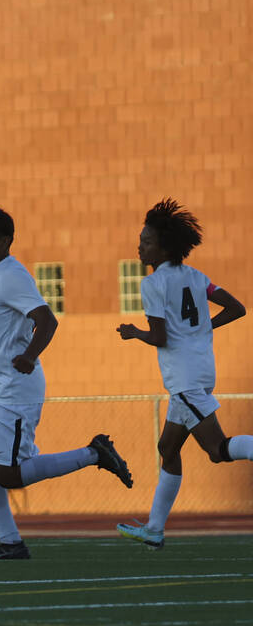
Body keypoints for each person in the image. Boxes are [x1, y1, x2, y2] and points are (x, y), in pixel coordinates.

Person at [0, 204, 133, 560]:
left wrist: (29, 356)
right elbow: (8, 328)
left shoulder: (12, 275)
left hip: (15, 389)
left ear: (6, 240)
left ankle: (93, 454)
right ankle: (10, 543)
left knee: (7, 475)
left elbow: (46, 320)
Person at [116, 199, 249, 549]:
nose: (140, 246)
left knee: (217, 451)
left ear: (164, 246)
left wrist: (134, 333)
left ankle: (155, 529)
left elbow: (159, 337)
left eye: (145, 241)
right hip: (200, 373)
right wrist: (202, 329)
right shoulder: (196, 277)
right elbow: (237, 309)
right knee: (167, 447)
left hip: (185, 380)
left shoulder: (152, 284)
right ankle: (155, 529)